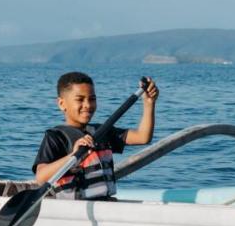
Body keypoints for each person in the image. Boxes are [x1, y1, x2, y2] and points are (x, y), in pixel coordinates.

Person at [32, 72, 159, 201]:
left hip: (105, 205)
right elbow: (41, 177)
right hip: (74, 209)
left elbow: (143, 137)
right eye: (80, 99)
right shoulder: (56, 137)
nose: (87, 105)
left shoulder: (102, 131)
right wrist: (73, 156)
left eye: (92, 99)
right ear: (61, 104)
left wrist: (149, 103)